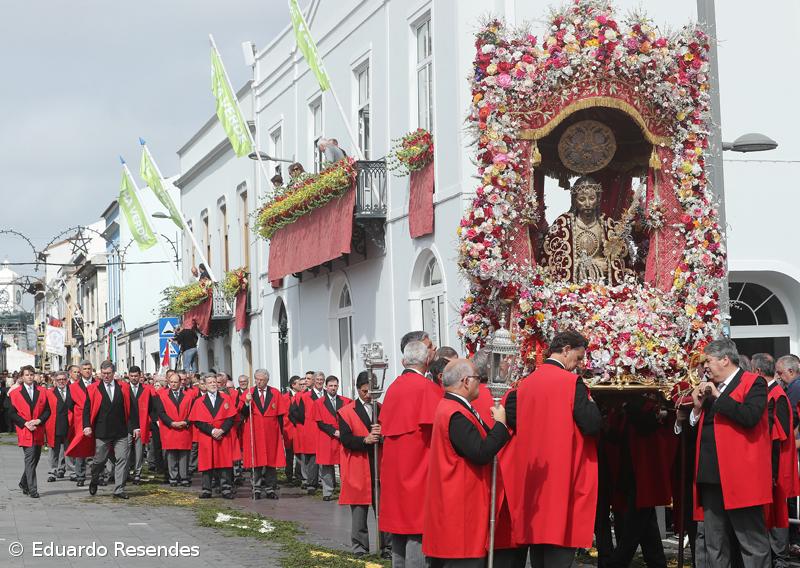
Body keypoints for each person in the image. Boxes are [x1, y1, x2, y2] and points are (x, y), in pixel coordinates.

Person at [504, 330, 603, 567]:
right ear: (566, 350)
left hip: (533, 477)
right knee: (560, 546)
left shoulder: (524, 384)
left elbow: (513, 419)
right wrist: (593, 405)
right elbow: (591, 425)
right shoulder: (572, 383)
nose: (578, 365)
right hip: (563, 475)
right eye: (578, 358)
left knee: (538, 547)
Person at [689, 338, 771, 567]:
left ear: (725, 359)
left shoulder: (753, 382)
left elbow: (750, 417)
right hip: (711, 475)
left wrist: (717, 396)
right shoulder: (709, 388)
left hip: (740, 475)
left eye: (709, 361)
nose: (705, 367)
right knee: (715, 542)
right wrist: (696, 408)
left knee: (751, 541)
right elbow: (700, 428)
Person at [422, 359, 510, 567]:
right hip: (460, 508)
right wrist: (500, 424)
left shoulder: (456, 407)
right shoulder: (455, 413)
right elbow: (480, 452)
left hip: (459, 504)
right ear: (466, 381)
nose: (480, 384)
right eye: (477, 379)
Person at [380, 339, 442, 567]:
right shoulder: (427, 389)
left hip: (395, 471)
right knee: (417, 531)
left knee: (399, 530)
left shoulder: (393, 387)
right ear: (427, 361)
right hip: (419, 469)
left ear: (404, 360)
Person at [754, 353, 799, 568]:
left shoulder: (777, 395)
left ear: (758, 373)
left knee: (778, 514)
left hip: (778, 464)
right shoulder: (773, 393)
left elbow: (778, 436)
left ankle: (780, 557)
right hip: (773, 463)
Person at [338, 371, 389, 558]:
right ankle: (360, 547)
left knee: (383, 510)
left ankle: (387, 547)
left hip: (379, 465)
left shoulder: (382, 408)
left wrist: (382, 435)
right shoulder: (346, 411)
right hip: (359, 465)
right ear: (358, 389)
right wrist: (365, 440)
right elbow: (346, 439)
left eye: (372, 391)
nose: (368, 395)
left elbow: (391, 435)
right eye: (365, 391)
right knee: (359, 512)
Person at [84, 360, 139, 499]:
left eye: (108, 373)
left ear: (113, 373)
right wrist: (86, 426)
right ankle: (95, 478)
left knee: (122, 459)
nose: (106, 376)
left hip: (121, 430)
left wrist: (135, 427)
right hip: (102, 431)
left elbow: (132, 408)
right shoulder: (93, 388)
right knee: (99, 460)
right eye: (103, 374)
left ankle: (119, 489)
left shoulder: (124, 387)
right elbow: (86, 410)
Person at [241, 369, 288, 500]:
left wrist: (280, 433)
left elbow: (280, 416)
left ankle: (270, 489)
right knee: (256, 462)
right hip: (254, 431)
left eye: (261, 380)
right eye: (256, 379)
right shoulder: (249, 393)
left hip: (271, 433)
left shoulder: (275, 393)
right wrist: (246, 403)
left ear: (267, 380)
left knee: (270, 462)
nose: (258, 382)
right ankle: (256, 488)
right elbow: (242, 414)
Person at [190, 373, 237, 499]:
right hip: (207, 436)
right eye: (210, 382)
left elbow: (231, 417)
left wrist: (221, 430)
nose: (213, 384)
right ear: (204, 385)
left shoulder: (226, 398)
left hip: (223, 436)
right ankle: (207, 489)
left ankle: (226, 489)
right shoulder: (199, 401)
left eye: (214, 382)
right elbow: (198, 421)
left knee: (225, 463)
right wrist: (212, 431)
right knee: (207, 464)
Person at [7, 365, 51, 498]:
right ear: (22, 377)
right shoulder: (15, 393)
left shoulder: (42, 391)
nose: (30, 377)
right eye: (27, 375)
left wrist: (39, 420)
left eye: (32, 374)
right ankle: (33, 489)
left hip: (38, 429)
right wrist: (25, 423)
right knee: (30, 459)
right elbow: (11, 413)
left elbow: (48, 410)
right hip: (25, 430)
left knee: (35, 459)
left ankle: (23, 482)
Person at [313, 375, 351, 500]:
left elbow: (350, 419)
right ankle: (327, 492)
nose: (333, 388)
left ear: (338, 386)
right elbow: (319, 421)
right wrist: (333, 431)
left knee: (344, 464)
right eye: (330, 386)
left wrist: (343, 432)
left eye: (335, 386)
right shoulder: (319, 403)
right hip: (327, 437)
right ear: (326, 387)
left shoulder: (346, 401)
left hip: (342, 437)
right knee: (327, 465)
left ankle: (345, 491)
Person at [157, 370, 196, 487]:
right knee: (171, 454)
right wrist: (171, 423)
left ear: (180, 383)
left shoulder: (189, 396)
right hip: (170, 429)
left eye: (176, 382)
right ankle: (173, 477)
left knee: (184, 454)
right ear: (168, 382)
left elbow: (193, 412)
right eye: (171, 382)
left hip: (184, 428)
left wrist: (186, 422)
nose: (173, 384)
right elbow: (161, 412)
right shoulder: (162, 395)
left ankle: (184, 477)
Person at [65, 361, 96, 486]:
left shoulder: (97, 384)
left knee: (97, 448)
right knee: (80, 448)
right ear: (81, 371)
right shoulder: (73, 387)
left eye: (89, 368)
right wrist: (80, 412)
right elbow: (69, 404)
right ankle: (80, 476)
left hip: (96, 419)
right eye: (84, 369)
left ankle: (97, 475)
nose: (87, 371)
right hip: (80, 421)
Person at [296, 371, 325, 494]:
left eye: (321, 380)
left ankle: (326, 482)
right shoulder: (305, 396)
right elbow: (299, 414)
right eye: (317, 379)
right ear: (313, 381)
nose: (319, 382)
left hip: (325, 428)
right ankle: (312, 483)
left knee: (325, 457)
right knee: (312, 457)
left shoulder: (328, 394)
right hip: (311, 428)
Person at [126, 366, 154, 484]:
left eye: (136, 376)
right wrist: (131, 428)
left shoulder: (146, 390)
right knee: (125, 451)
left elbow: (151, 408)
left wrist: (143, 425)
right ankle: (125, 473)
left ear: (140, 376)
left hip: (141, 425)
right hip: (127, 426)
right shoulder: (124, 389)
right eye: (131, 376)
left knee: (139, 451)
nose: (133, 378)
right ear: (128, 376)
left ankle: (138, 474)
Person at [45, 371, 72, 482]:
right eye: (59, 379)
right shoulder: (49, 393)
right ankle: (53, 471)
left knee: (68, 449)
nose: (61, 381)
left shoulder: (71, 391)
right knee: (54, 449)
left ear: (67, 380)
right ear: (55, 381)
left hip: (69, 424)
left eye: (63, 379)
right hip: (54, 424)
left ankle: (68, 470)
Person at [283, 375, 303, 485]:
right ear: (293, 385)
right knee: (289, 454)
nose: (301, 386)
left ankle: (298, 476)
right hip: (288, 428)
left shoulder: (303, 396)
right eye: (299, 384)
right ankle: (289, 475)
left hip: (298, 428)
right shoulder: (285, 397)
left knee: (299, 453)